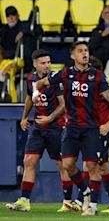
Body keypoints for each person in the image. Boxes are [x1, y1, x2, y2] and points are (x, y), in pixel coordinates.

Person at [32, 41, 109, 216]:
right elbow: (40, 84)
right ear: (72, 55)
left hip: (91, 129)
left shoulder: (97, 76)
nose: (84, 53)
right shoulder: (65, 73)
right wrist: (36, 94)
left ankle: (91, 206)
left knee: (93, 167)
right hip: (71, 128)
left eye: (86, 50)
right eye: (80, 51)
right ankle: (85, 191)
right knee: (68, 164)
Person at [5, 49, 72, 212]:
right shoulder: (31, 78)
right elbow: (29, 98)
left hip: (56, 127)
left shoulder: (56, 80)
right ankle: (25, 200)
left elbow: (64, 104)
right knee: (28, 161)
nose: (47, 66)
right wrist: (24, 117)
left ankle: (68, 202)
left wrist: (50, 118)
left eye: (49, 62)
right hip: (37, 127)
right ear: (35, 64)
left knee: (62, 165)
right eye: (43, 63)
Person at [65, 56, 109, 213]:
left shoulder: (102, 88)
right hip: (91, 131)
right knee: (102, 167)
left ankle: (86, 202)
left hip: (101, 131)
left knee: (92, 166)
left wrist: (107, 125)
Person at [0, 6, 41, 73]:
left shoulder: (24, 25)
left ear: (17, 15)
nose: (11, 18)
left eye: (13, 15)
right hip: (5, 59)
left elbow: (39, 30)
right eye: (8, 16)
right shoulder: (4, 29)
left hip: (19, 59)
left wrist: (23, 32)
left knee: (9, 70)